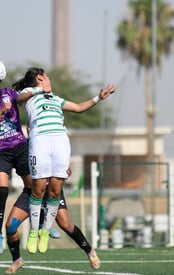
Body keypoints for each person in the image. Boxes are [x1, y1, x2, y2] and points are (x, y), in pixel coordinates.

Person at [12, 68, 115, 254]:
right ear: (41, 78)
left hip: (60, 141)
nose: (50, 80)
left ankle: (44, 231)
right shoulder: (28, 94)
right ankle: (34, 232)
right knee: (38, 189)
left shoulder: (56, 99)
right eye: (47, 77)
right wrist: (38, 90)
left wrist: (99, 97)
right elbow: (17, 99)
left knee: (55, 190)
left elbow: (78, 108)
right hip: (40, 141)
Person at [0, 72, 37, 255]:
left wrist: (37, 91)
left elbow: (21, 98)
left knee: (33, 188)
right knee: (2, 189)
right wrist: (1, 112)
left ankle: (41, 223)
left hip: (19, 146)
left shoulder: (8, 93)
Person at [4, 170, 100, 274]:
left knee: (65, 224)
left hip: (52, 191)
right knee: (10, 226)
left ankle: (89, 251)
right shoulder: (26, 154)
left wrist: (62, 174)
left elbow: (68, 170)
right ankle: (17, 260)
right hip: (31, 192)